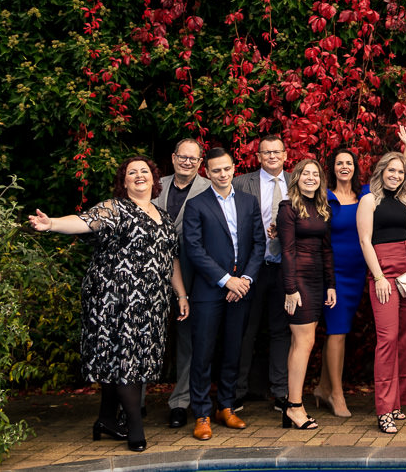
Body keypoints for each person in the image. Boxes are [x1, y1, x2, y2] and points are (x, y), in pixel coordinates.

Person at [28, 156, 188, 453]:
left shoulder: (164, 216)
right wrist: (51, 224)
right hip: (115, 299)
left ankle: (106, 419)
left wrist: (180, 294)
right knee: (126, 361)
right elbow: (83, 221)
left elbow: (171, 259)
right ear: (124, 181)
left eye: (145, 172)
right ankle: (135, 431)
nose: (139, 176)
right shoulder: (115, 208)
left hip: (152, 303)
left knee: (127, 360)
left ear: (154, 180)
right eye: (132, 173)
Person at [179, 145, 266, 440]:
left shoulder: (248, 201)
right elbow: (193, 249)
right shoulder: (197, 204)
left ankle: (226, 407)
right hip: (208, 290)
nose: (222, 174)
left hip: (242, 289)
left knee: (233, 350)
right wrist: (226, 280)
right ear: (207, 172)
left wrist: (245, 280)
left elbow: (258, 245)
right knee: (202, 353)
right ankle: (202, 413)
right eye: (216, 170)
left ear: (233, 168)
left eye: (226, 169)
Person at [357, 151, 406, 434]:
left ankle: (398, 401)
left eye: (401, 172)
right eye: (391, 171)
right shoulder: (369, 200)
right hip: (383, 273)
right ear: (381, 171)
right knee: (387, 339)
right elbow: (365, 240)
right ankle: (384, 409)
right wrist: (378, 277)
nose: (396, 176)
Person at [153, 138, 208, 429]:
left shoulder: (208, 189)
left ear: (200, 163)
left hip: (190, 274)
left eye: (193, 159)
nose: (187, 162)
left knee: (187, 340)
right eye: (182, 157)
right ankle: (134, 402)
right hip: (148, 273)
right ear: (173, 158)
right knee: (147, 338)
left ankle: (180, 402)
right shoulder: (153, 184)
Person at [278, 157, 336, 430]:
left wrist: (331, 284)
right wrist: (290, 289)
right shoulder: (288, 208)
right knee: (304, 341)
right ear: (297, 178)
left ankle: (291, 405)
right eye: (305, 173)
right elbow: (287, 251)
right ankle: (295, 406)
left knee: (302, 342)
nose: (311, 177)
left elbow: (326, 249)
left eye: (315, 174)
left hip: (316, 280)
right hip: (297, 279)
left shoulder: (322, 208)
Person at [234, 134, 291, 411]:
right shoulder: (241, 183)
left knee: (282, 331)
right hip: (251, 269)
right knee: (246, 330)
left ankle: (281, 392)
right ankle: (237, 391)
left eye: (276, 152)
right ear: (258, 156)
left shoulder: (298, 180)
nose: (272, 156)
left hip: (285, 270)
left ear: (285, 155)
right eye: (266, 152)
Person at [315, 146, 365, 419]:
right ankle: (336, 394)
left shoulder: (364, 194)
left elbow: (398, 173)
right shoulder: (325, 197)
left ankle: (323, 388)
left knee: (339, 330)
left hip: (357, 272)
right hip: (333, 274)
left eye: (349, 162)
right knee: (337, 331)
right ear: (332, 168)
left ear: (355, 167)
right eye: (339, 163)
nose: (344, 167)